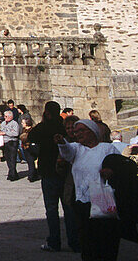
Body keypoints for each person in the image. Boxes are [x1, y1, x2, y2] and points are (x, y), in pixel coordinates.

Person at [58, 119, 124, 260]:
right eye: (76, 131)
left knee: (106, 240)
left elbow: (119, 166)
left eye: (82, 130)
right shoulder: (77, 148)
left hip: (103, 201)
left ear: (92, 131)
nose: (78, 134)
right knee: (87, 241)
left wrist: (110, 171)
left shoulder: (107, 148)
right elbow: (66, 151)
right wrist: (62, 142)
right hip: (83, 202)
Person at [29, 101, 79, 253]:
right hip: (65, 173)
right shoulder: (63, 126)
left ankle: (54, 242)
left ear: (47, 112)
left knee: (51, 209)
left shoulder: (44, 127)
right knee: (69, 208)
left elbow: (30, 136)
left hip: (49, 172)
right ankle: (74, 242)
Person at [0, 109, 22, 181]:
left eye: (6, 116)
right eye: (4, 116)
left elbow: (15, 133)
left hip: (12, 142)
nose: (4, 118)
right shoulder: (3, 123)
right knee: (8, 159)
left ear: (10, 117)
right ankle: (13, 173)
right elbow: (1, 131)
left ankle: (12, 175)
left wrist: (5, 133)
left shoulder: (14, 123)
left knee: (12, 158)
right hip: (5, 142)